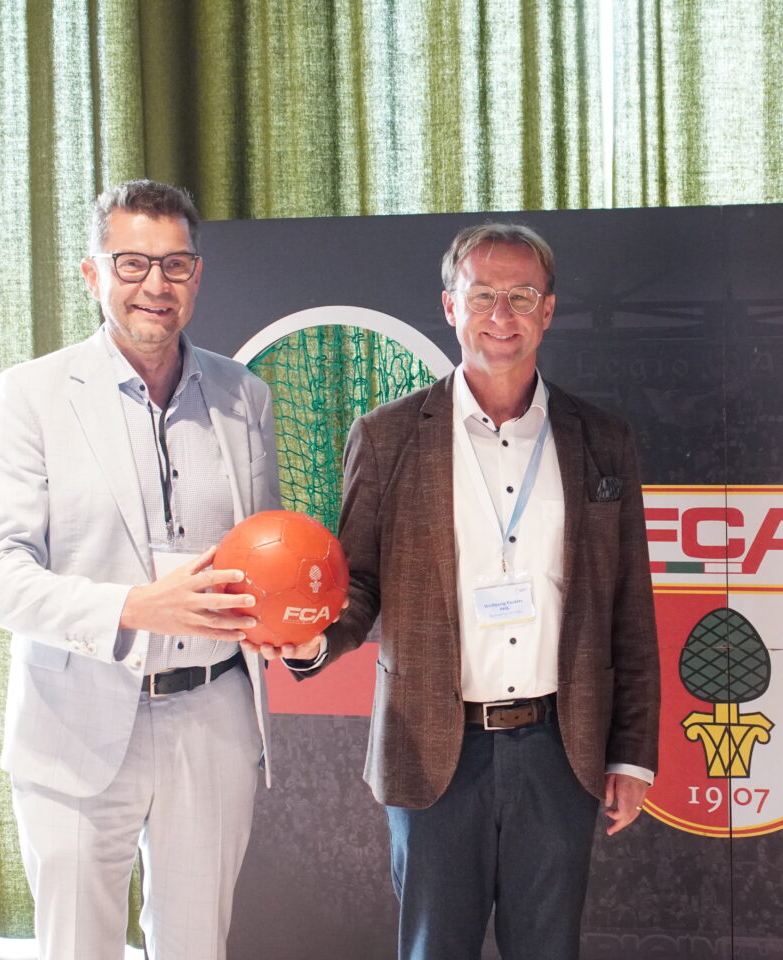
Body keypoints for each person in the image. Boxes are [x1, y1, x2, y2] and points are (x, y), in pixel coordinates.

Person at [290, 222, 660, 960]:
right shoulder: (388, 436)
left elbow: (630, 609)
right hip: (434, 750)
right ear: (450, 306)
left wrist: (633, 753)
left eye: (522, 296)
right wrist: (316, 639)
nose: (502, 314)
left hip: (562, 749)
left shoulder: (601, 440)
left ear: (548, 311)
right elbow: (358, 582)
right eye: (483, 294)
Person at [0, 179, 281, 960]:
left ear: (197, 277)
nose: (155, 285)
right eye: (133, 263)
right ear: (92, 274)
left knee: (196, 949)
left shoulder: (247, 397)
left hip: (211, 721)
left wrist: (290, 626)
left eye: (175, 266)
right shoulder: (32, 395)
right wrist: (135, 608)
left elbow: (264, 557)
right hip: (74, 720)